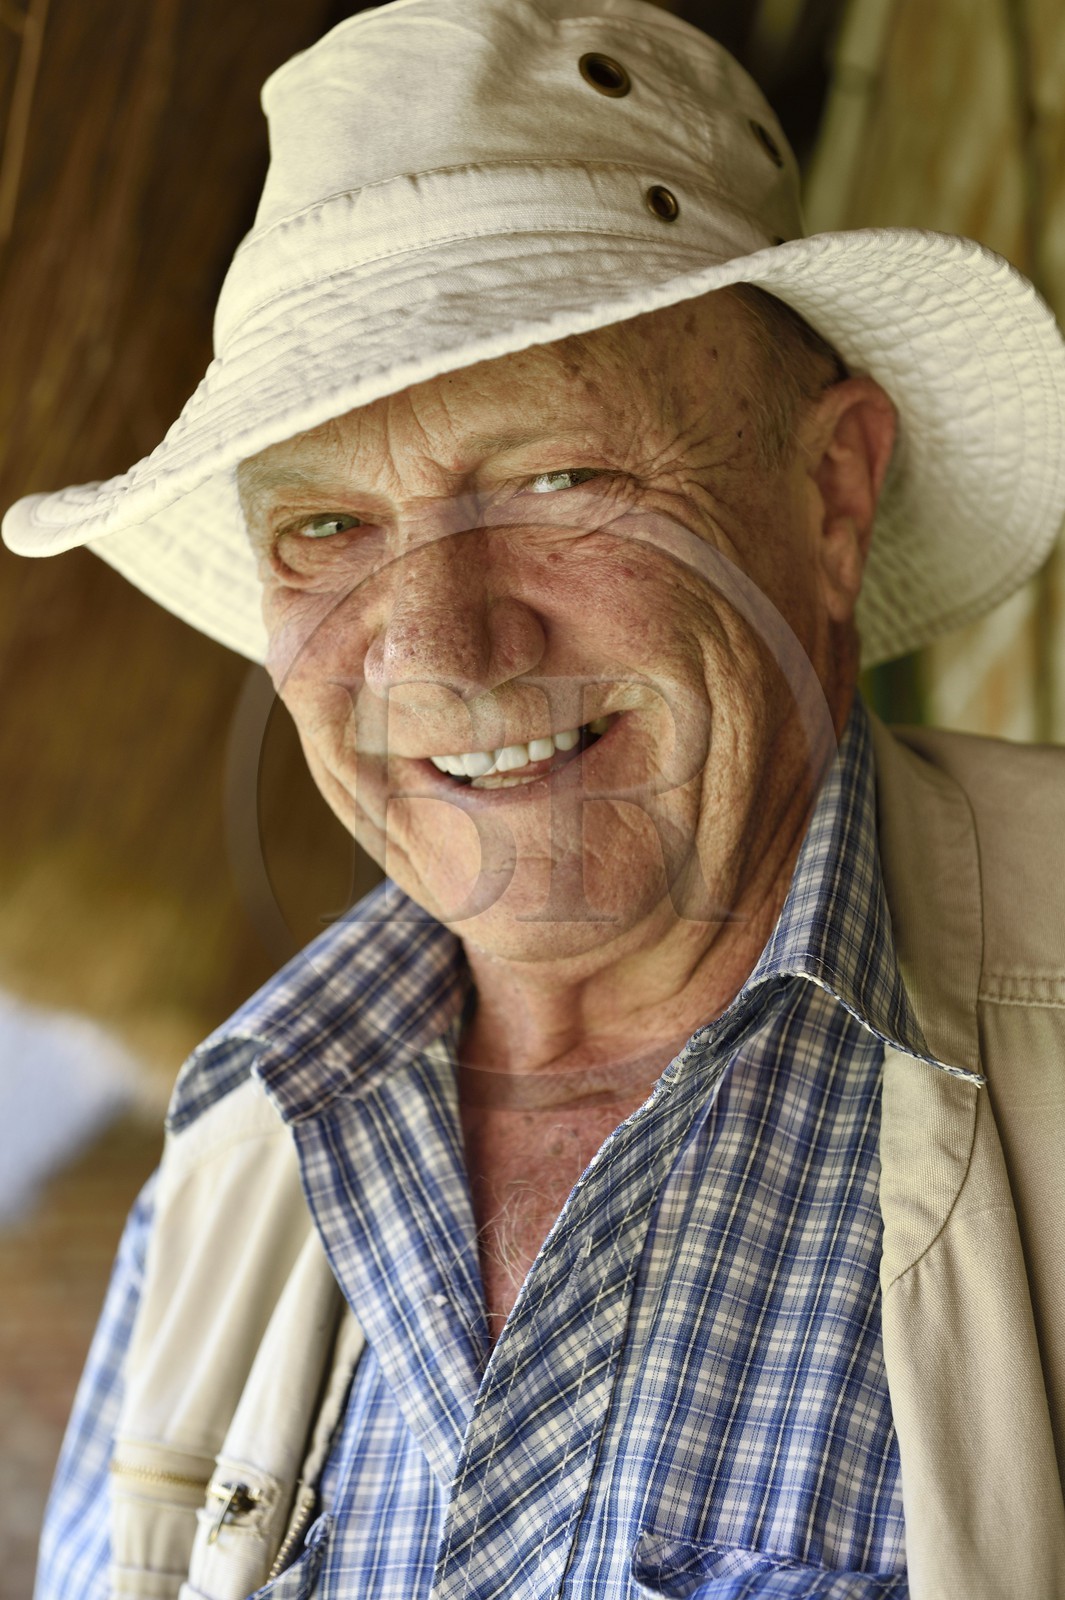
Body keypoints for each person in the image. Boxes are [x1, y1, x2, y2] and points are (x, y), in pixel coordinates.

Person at [6, 1, 1065, 1596]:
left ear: (829, 494)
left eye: (557, 479)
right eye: (323, 532)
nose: (441, 657)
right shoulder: (233, 1165)